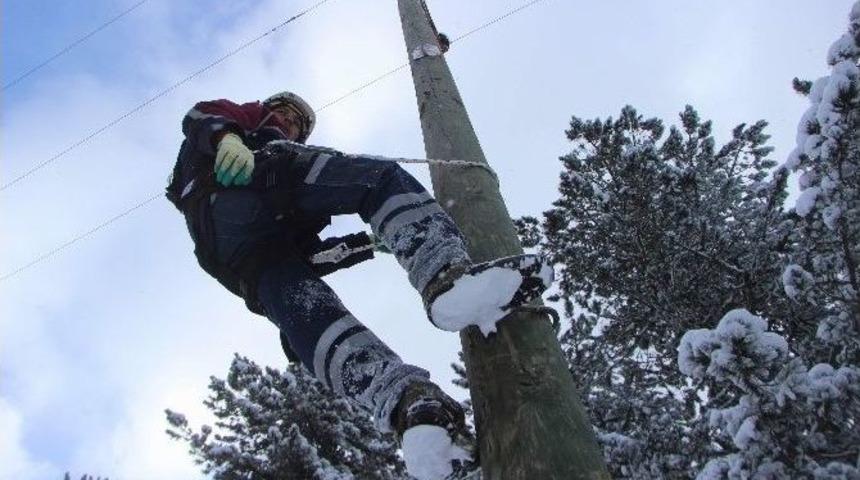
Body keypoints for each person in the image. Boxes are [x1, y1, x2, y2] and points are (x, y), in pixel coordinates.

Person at [165, 91, 552, 479]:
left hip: (251, 255)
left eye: (297, 123)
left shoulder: (275, 166)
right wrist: (227, 138)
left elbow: (313, 257)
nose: (289, 122)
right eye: (285, 113)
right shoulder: (251, 126)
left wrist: (366, 244)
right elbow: (201, 114)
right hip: (253, 185)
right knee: (378, 178)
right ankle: (444, 274)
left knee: (308, 313)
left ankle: (412, 409)